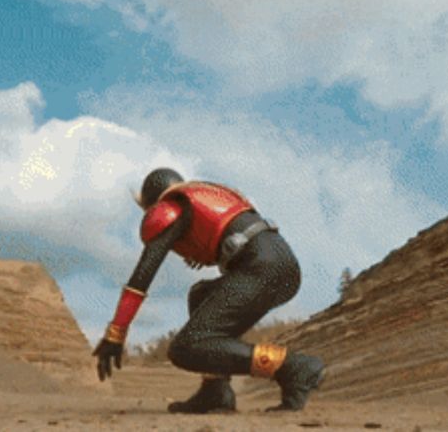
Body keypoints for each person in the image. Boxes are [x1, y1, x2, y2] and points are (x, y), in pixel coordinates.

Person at [92, 167, 325, 413]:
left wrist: (115, 334)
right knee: (201, 295)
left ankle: (292, 366)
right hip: (283, 267)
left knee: (187, 347)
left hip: (261, 268)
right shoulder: (210, 193)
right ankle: (215, 391)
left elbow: (143, 275)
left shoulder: (167, 209)